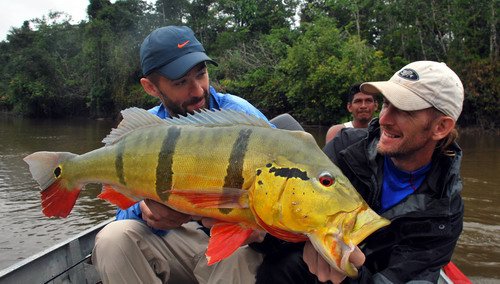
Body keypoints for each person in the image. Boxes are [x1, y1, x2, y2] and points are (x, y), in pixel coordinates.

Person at [255, 61, 465, 284]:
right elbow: (292, 223)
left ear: (440, 127)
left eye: (404, 111)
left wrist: (350, 274)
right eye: (386, 104)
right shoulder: (344, 149)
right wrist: (258, 231)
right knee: (280, 264)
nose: (384, 119)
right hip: (305, 272)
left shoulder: (446, 213)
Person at [92, 25, 273, 284]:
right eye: (181, 82)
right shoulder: (144, 132)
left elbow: (284, 173)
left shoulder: (242, 116)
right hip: (176, 242)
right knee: (112, 239)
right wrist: (143, 209)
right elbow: (120, 214)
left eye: (201, 73)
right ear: (151, 87)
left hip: (230, 244)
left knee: (239, 258)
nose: (198, 90)